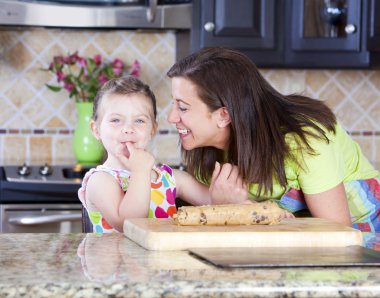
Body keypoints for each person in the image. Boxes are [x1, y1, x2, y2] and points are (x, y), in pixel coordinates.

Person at [166, 46, 380, 234]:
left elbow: (337, 236)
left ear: (223, 116)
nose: (171, 117)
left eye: (182, 107)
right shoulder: (208, 149)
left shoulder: (305, 139)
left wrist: (244, 208)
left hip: (363, 236)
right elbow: (225, 205)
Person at [78, 76, 210, 233]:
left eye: (139, 121)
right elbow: (129, 224)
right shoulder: (100, 181)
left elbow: (215, 202)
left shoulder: (169, 179)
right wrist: (140, 172)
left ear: (152, 130)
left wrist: (226, 195)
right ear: (96, 130)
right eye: (115, 120)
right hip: (117, 258)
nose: (128, 128)